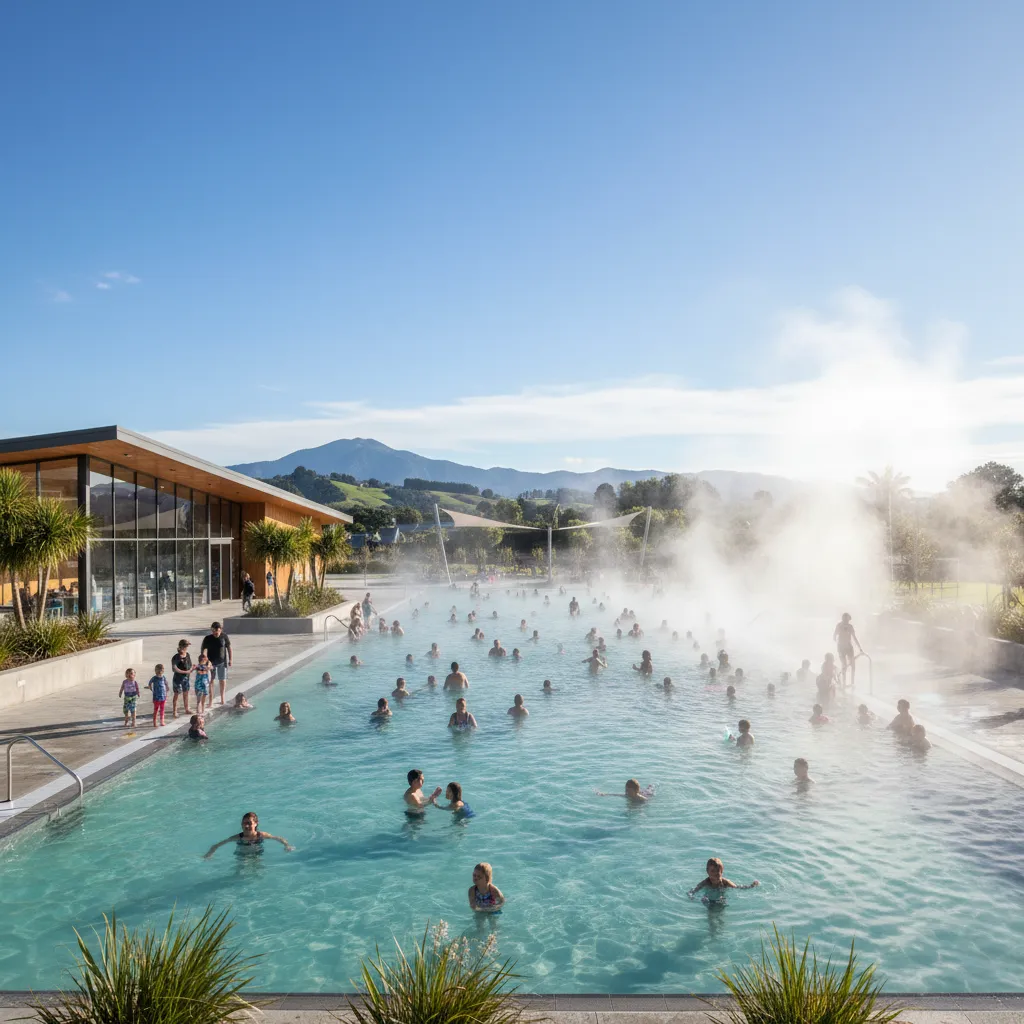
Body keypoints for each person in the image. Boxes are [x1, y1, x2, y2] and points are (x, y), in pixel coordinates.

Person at [204, 811, 293, 858]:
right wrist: (209, 854)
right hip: (242, 856)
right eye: (244, 823)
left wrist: (287, 845)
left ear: (256, 823)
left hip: (257, 854)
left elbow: (278, 838)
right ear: (241, 824)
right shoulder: (238, 837)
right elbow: (217, 845)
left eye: (249, 823)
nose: (246, 826)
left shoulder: (261, 835)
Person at [688, 858, 760, 902]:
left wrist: (751, 886)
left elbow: (737, 887)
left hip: (721, 899)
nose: (715, 873)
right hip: (709, 899)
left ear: (722, 871)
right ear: (707, 871)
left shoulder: (725, 882)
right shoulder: (706, 882)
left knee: (722, 903)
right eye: (712, 871)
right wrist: (691, 896)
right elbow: (693, 890)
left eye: (717, 871)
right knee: (705, 901)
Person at [201, 622, 232, 707]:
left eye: (217, 631)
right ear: (212, 630)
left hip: (222, 662)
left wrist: (230, 659)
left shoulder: (224, 636)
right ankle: (210, 701)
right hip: (211, 663)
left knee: (222, 680)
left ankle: (222, 698)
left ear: (221, 630)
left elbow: (229, 648)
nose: (216, 633)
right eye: (214, 631)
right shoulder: (207, 638)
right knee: (211, 681)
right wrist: (207, 661)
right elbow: (204, 651)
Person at [833, 612, 864, 686]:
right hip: (841, 647)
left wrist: (860, 648)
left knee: (853, 664)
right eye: (845, 619)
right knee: (844, 664)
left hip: (849, 647)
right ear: (842, 619)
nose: (846, 621)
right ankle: (844, 682)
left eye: (847, 620)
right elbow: (834, 635)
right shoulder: (839, 625)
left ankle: (852, 682)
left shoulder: (850, 626)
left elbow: (854, 638)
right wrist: (838, 642)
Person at [170, 639, 193, 719]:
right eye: (186, 646)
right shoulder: (176, 657)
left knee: (186, 693)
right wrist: (185, 672)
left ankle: (186, 709)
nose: (187, 648)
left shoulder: (187, 655)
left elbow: (190, 665)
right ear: (182, 647)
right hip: (178, 679)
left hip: (186, 678)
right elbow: (174, 669)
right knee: (176, 694)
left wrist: (192, 669)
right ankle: (174, 711)